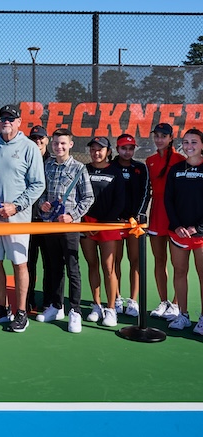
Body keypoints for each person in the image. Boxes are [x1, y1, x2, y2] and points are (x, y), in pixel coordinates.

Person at [0, 105, 45, 333]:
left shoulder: (29, 148)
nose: (6, 121)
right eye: (3, 118)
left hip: (18, 219)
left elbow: (38, 184)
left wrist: (15, 207)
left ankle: (21, 311)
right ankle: (2, 307)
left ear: (19, 122)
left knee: (19, 264)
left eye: (11, 118)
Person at [37, 129, 94, 333]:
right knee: (54, 267)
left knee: (72, 268)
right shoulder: (46, 166)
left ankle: (75, 311)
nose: (58, 147)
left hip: (70, 227)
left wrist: (72, 216)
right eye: (55, 143)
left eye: (62, 143)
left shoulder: (79, 168)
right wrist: (42, 204)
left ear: (70, 144)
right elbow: (40, 192)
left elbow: (88, 197)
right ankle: (56, 306)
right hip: (50, 225)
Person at [80, 136, 125, 327]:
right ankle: (96, 305)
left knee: (109, 268)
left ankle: (111, 309)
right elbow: (78, 196)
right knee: (92, 265)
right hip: (87, 225)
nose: (96, 152)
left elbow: (120, 201)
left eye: (100, 149)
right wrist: (85, 221)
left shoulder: (115, 172)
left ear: (108, 151)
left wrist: (104, 223)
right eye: (93, 149)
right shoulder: (84, 170)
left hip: (107, 226)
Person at [164, 128, 203, 333]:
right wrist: (178, 226)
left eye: (194, 142)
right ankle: (183, 315)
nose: (189, 146)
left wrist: (197, 227)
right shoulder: (176, 169)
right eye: (186, 142)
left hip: (201, 235)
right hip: (178, 233)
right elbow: (168, 199)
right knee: (180, 272)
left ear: (202, 145)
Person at [146, 122, 184, 319]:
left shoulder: (180, 159)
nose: (159, 139)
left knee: (179, 265)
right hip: (156, 216)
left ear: (171, 138)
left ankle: (177, 305)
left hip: (176, 218)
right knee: (159, 260)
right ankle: (164, 302)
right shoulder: (149, 160)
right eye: (157, 135)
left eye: (163, 136)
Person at [113, 133, 150, 317]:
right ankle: (117, 298)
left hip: (135, 223)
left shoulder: (140, 168)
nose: (127, 152)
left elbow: (146, 194)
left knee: (135, 261)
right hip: (115, 224)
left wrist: (136, 216)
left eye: (130, 148)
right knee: (116, 260)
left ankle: (132, 301)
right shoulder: (111, 166)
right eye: (123, 148)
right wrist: (116, 217)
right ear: (117, 149)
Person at [27, 124, 51, 311]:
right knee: (28, 263)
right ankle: (28, 299)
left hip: (48, 222)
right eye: (34, 138)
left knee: (49, 262)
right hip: (28, 221)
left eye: (40, 138)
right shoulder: (26, 160)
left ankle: (49, 301)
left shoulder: (53, 161)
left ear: (47, 140)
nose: (37, 141)